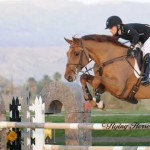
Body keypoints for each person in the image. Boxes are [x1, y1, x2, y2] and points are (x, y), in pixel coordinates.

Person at [105, 15, 150, 85]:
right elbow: (112, 43)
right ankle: (140, 72)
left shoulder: (126, 28)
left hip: (147, 36)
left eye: (111, 28)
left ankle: (147, 77)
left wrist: (131, 47)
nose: (110, 30)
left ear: (118, 26)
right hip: (138, 39)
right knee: (135, 53)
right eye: (109, 28)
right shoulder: (117, 33)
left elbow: (136, 35)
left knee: (146, 56)